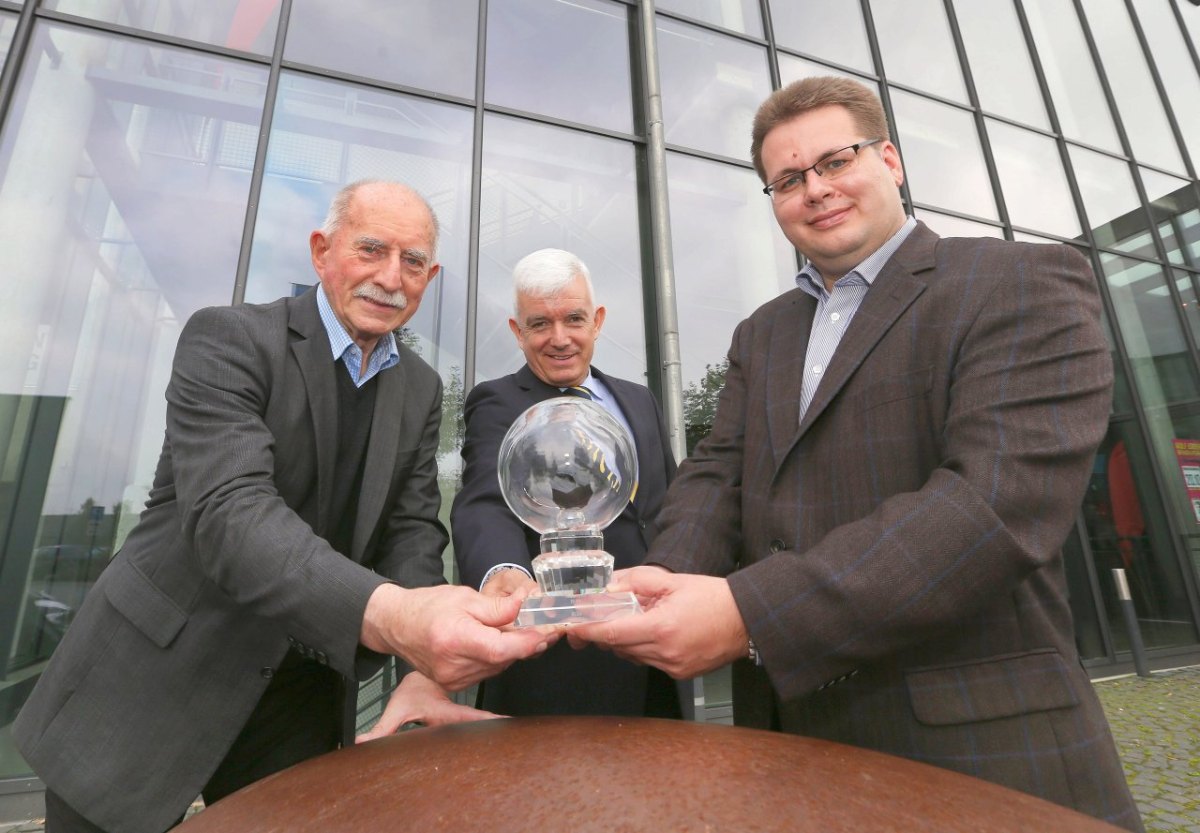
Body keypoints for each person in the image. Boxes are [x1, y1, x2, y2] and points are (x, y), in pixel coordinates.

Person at [573, 77, 1143, 831]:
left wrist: (748, 612)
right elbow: (718, 471)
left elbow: (989, 509)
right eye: (787, 179)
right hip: (786, 745)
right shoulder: (762, 332)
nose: (815, 189)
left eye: (835, 161)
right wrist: (666, 581)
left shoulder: (1019, 280)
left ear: (891, 160)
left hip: (972, 752)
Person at [14, 180, 555, 833]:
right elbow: (231, 512)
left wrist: (423, 673)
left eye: (413, 262)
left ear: (430, 276)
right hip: (154, 680)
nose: (392, 276)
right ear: (322, 251)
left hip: (296, 696)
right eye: (372, 249)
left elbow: (412, 531)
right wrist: (395, 616)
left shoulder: (420, 387)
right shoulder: (228, 338)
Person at [451, 248, 681, 717]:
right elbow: (484, 502)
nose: (559, 339)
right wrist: (502, 572)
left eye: (574, 319)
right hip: (556, 670)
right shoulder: (497, 403)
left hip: (653, 652)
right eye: (539, 324)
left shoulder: (639, 400)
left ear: (596, 320)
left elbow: (668, 505)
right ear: (517, 332)